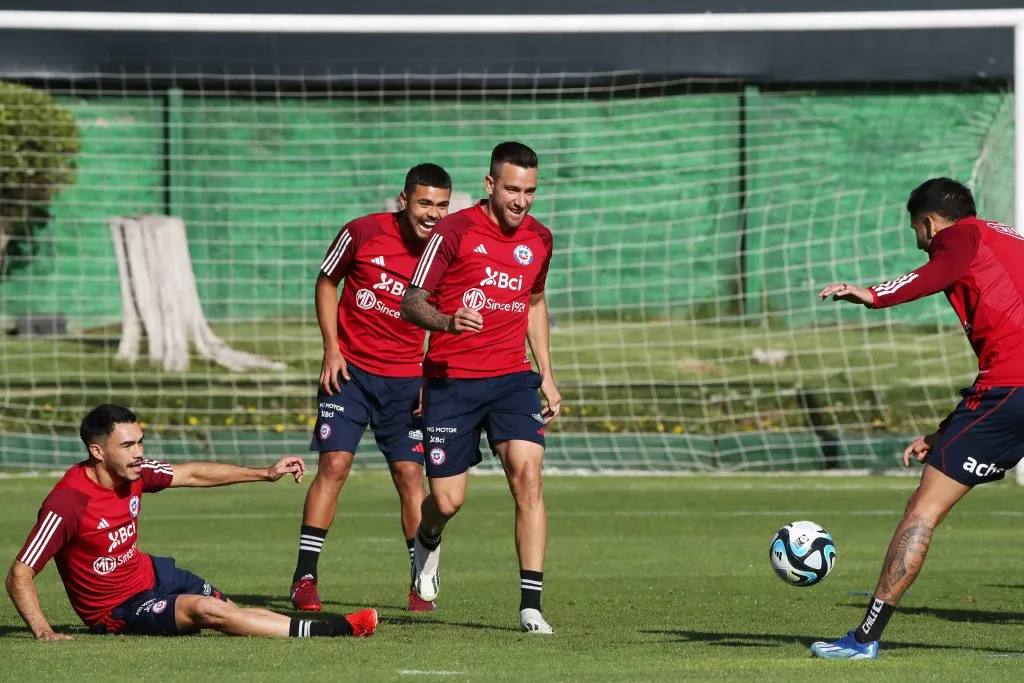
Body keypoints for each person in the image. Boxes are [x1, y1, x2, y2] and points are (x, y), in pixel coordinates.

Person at [811, 177, 1024, 659]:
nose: (922, 243)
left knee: (923, 511)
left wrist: (873, 294)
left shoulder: (959, 238)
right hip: (1006, 388)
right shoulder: (1009, 238)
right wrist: (945, 432)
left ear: (928, 224)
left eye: (917, 233)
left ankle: (864, 638)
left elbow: (939, 271)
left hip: (1012, 387)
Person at [5, 404, 378, 640]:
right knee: (207, 611)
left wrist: (264, 473)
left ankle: (309, 627)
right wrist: (43, 631)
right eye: (128, 446)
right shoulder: (68, 503)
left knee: (231, 613)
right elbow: (19, 573)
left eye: (140, 442)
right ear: (97, 451)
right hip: (116, 610)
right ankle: (337, 628)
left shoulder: (135, 473)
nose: (140, 453)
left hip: (152, 575)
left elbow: (193, 474)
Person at [400, 141, 561, 634]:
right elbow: (411, 302)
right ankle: (427, 538)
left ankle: (531, 605)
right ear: (490, 185)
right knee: (447, 502)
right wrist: (447, 321)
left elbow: (534, 302)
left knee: (528, 476)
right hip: (452, 380)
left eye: (530, 191)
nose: (522, 201)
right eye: (512, 189)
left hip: (513, 377)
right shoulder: (454, 231)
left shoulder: (540, 239)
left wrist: (547, 374)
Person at [291, 163, 452, 613]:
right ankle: (305, 577)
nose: (433, 214)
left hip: (408, 383)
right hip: (351, 375)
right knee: (335, 466)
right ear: (405, 201)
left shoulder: (447, 251)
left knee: (409, 477)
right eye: (424, 203)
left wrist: (431, 378)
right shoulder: (361, 233)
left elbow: (447, 321)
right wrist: (332, 349)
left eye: (442, 205)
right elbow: (327, 282)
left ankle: (420, 582)